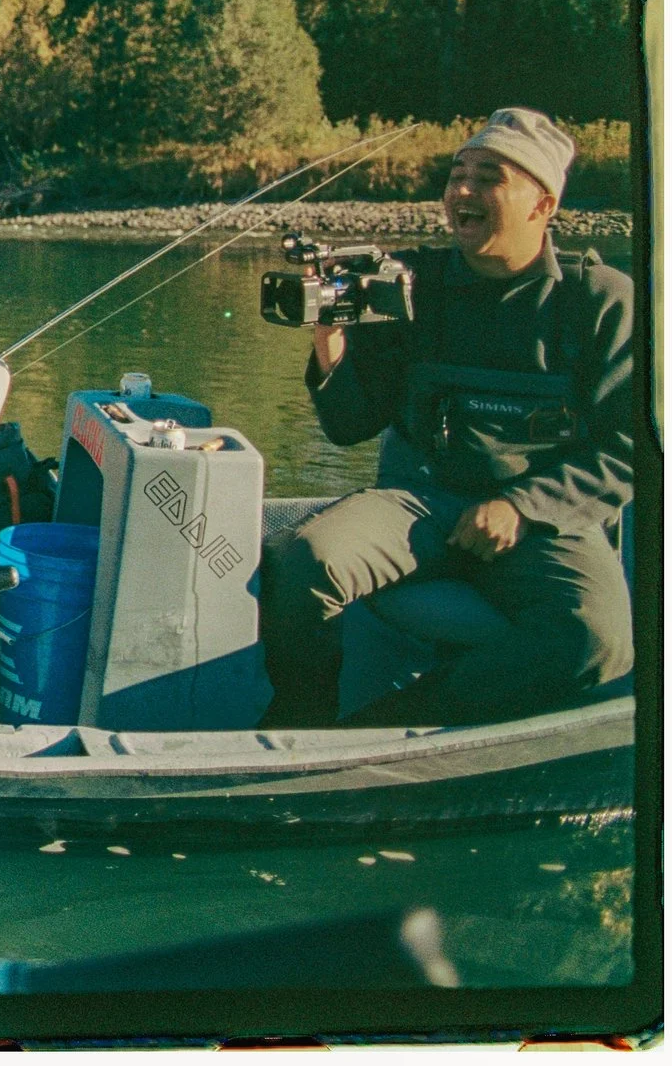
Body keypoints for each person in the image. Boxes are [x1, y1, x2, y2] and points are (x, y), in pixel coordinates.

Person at [258, 108, 635, 728]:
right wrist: (330, 345)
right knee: (305, 560)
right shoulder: (409, 287)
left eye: (490, 177)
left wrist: (523, 507)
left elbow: (629, 449)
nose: (462, 190)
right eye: (457, 173)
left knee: (596, 643)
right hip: (419, 505)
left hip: (547, 524)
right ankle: (300, 725)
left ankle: (387, 729)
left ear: (543, 206)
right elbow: (350, 424)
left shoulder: (600, 301)